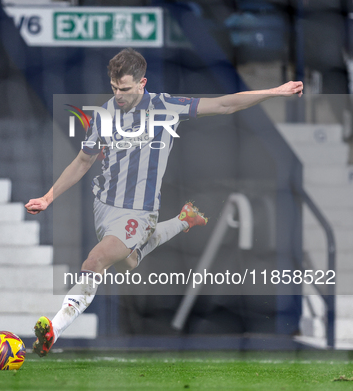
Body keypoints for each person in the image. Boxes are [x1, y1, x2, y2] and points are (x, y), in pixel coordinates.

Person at [25, 48, 304, 357]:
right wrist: (48, 196)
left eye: (126, 89)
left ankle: (53, 329)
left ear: (142, 82)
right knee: (127, 261)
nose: (118, 95)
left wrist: (274, 91)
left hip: (139, 212)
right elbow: (81, 161)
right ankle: (182, 220)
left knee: (95, 261)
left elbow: (224, 105)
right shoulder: (103, 114)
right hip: (103, 205)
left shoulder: (165, 106)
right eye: (114, 88)